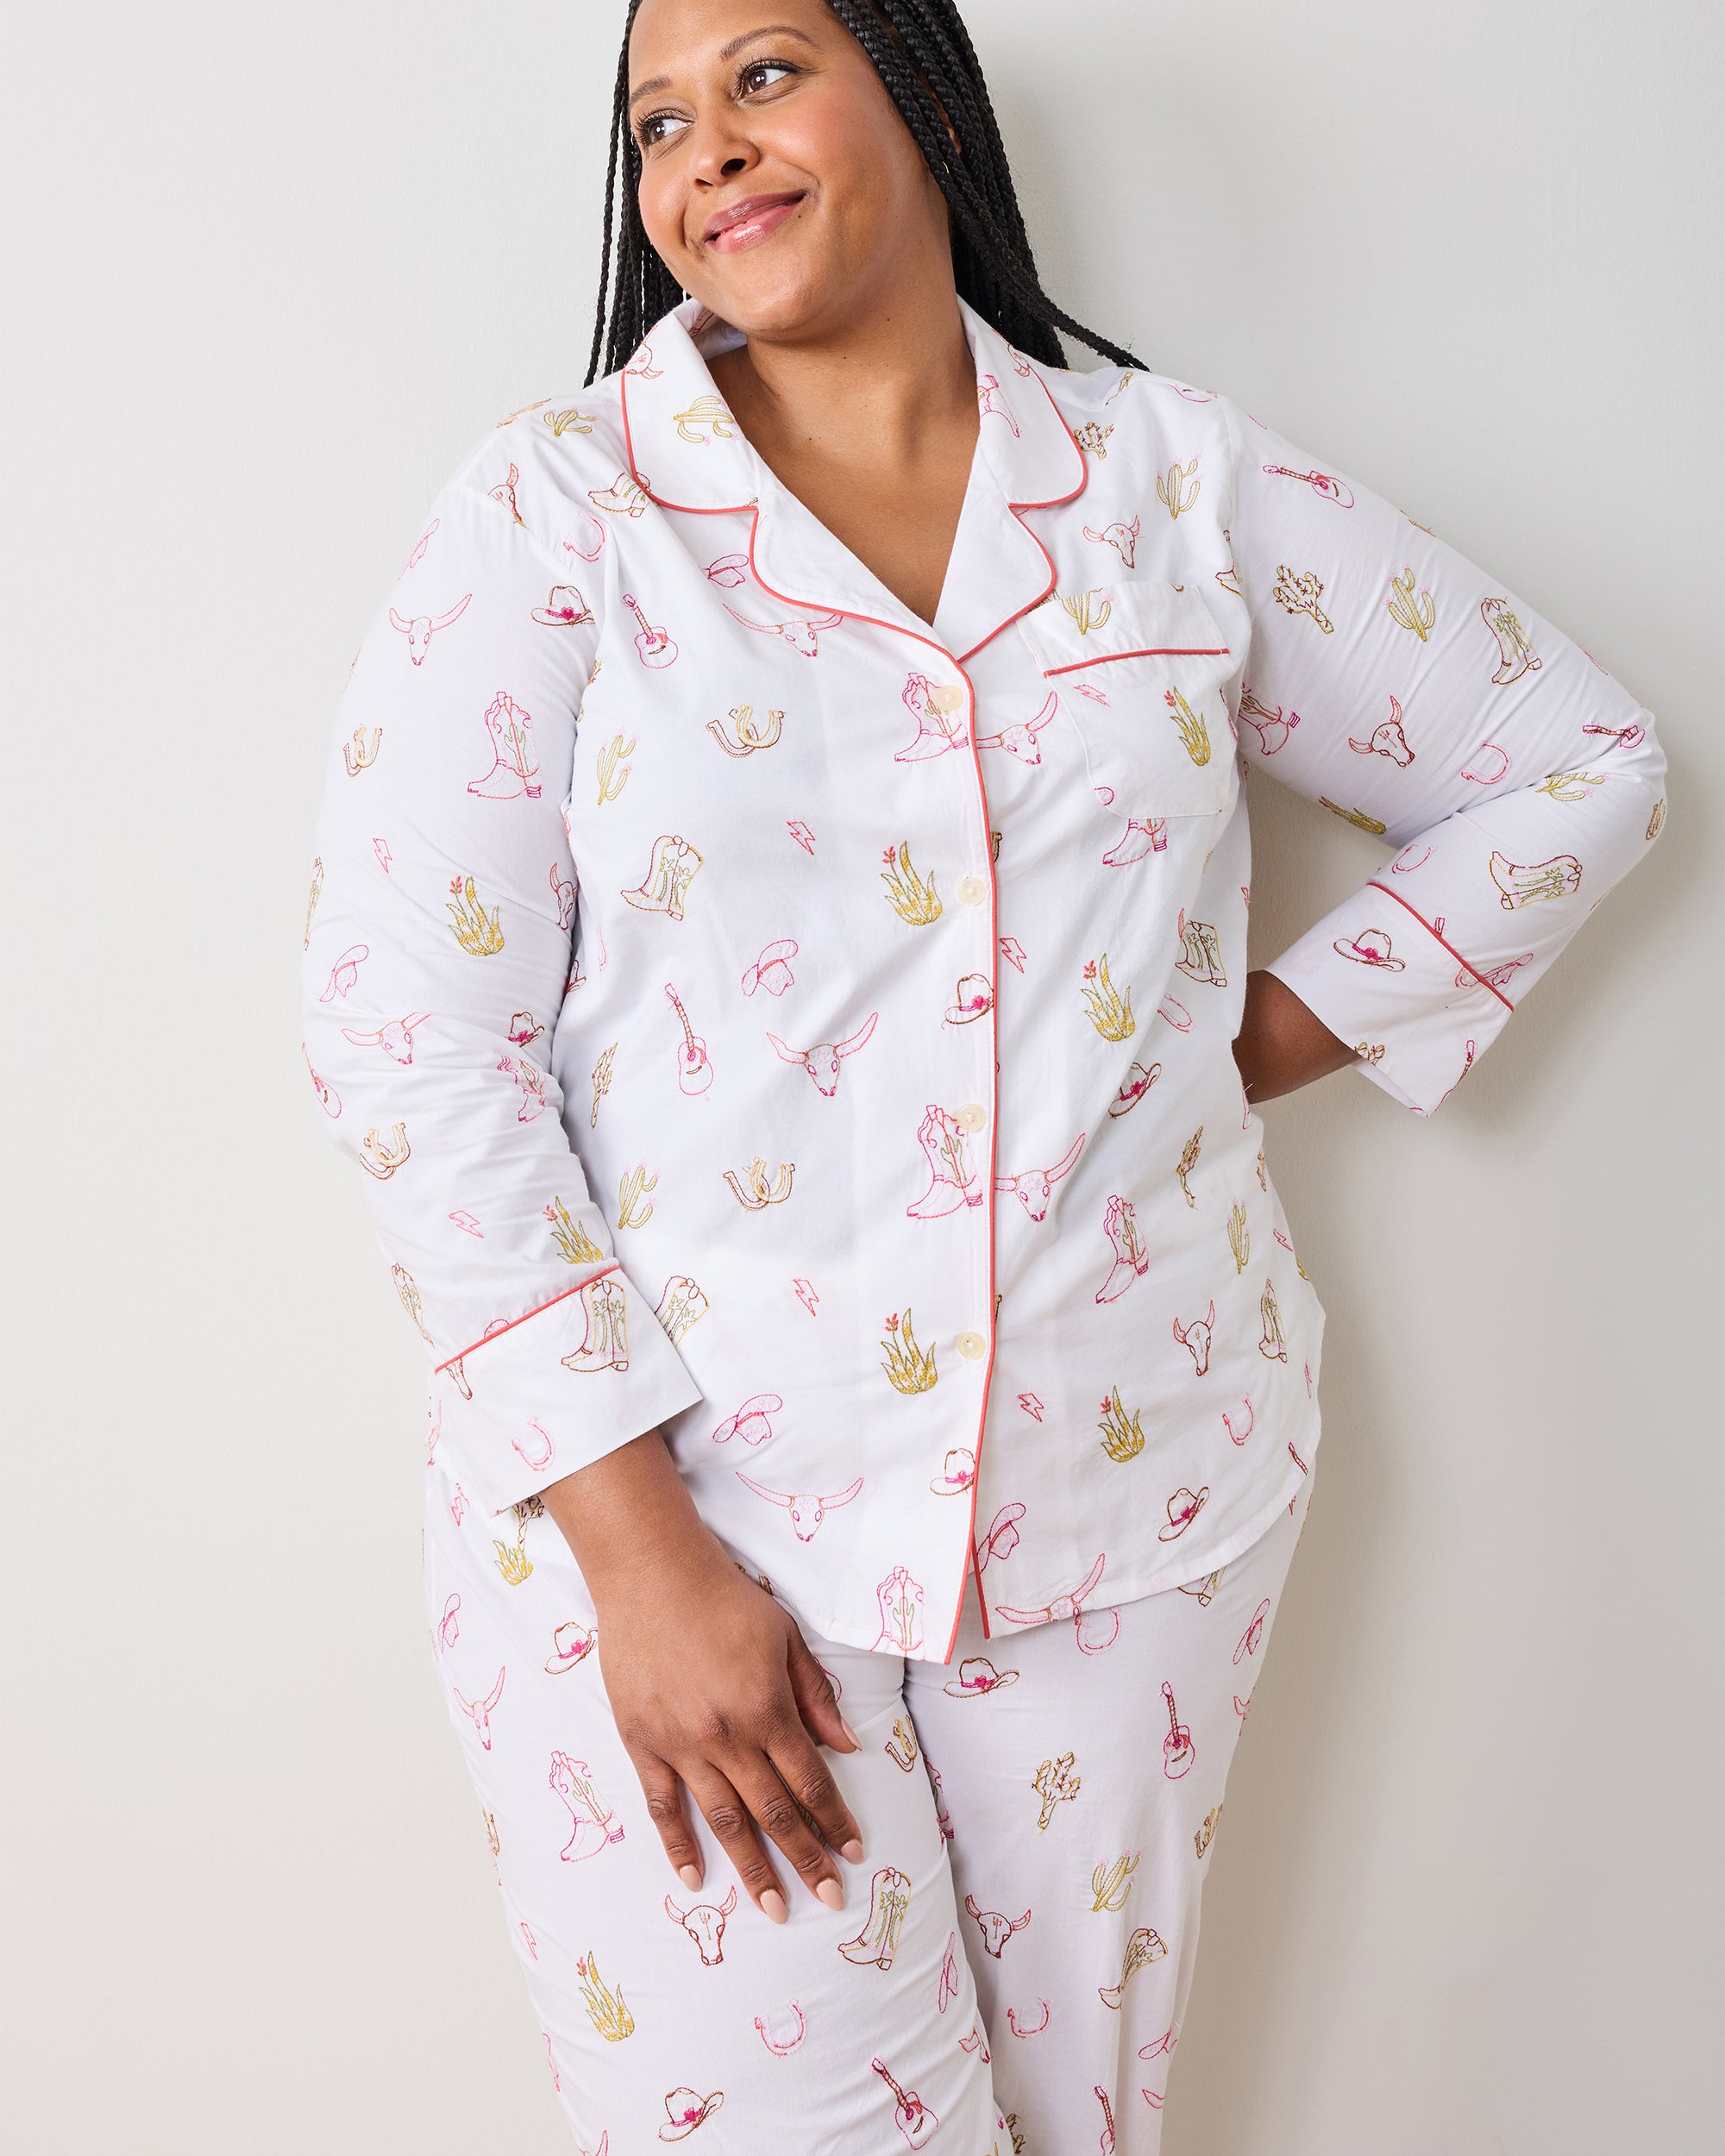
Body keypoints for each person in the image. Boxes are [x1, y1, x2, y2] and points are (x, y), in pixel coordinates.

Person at [298, 1, 1668, 2146]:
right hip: (693, 1513)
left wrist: (1208, 1051)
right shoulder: (557, 512)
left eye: (764, 74)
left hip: (1130, 1506)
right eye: (656, 120)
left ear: (920, 94)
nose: (703, 149)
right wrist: (637, 1552)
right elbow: (406, 1032)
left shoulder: (1175, 486)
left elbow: (1570, 762)